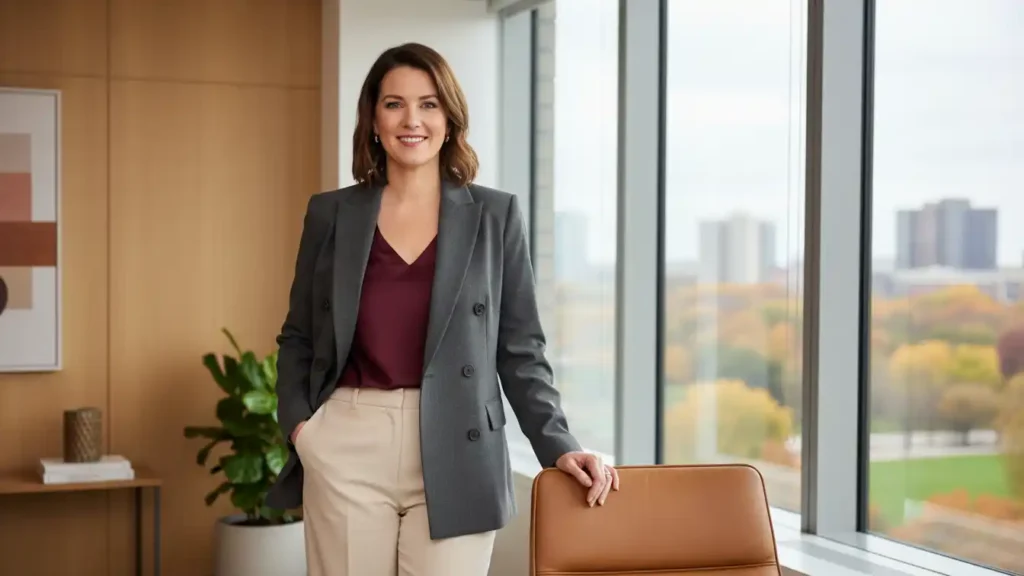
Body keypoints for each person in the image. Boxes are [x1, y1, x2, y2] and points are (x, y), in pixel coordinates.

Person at [265, 42, 619, 576]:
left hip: (461, 446)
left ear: (450, 120)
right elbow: (298, 336)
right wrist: (302, 428)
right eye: (395, 104)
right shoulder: (330, 213)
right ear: (374, 119)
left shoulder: (495, 215)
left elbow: (520, 349)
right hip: (348, 440)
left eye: (429, 104)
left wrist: (558, 444)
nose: (413, 120)